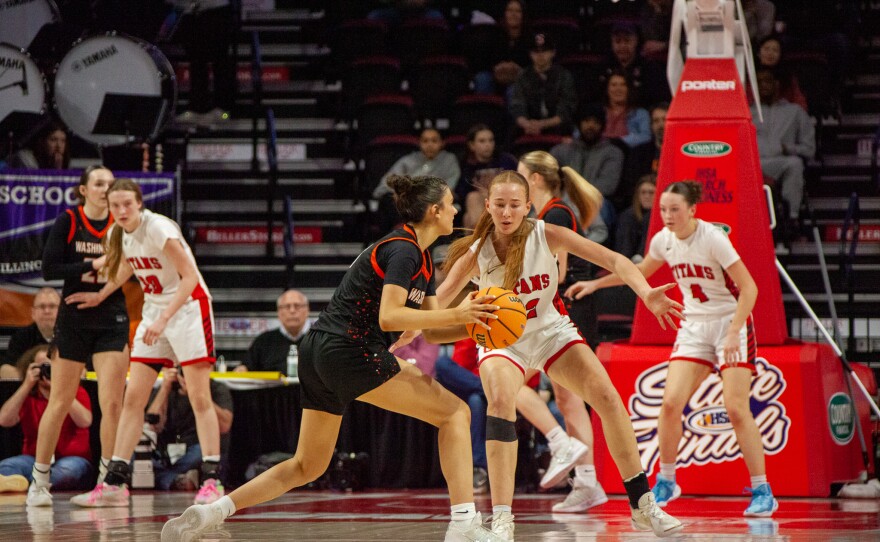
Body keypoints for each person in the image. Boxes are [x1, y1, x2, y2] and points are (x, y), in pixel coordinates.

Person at [161, 174, 505, 542]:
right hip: (349, 349)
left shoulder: (418, 258)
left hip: (319, 352)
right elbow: (390, 316)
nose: (456, 209)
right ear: (434, 210)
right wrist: (458, 314)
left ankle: (214, 511)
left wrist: (479, 323)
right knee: (455, 413)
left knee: (307, 465)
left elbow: (435, 331)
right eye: (451, 203)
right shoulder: (403, 249)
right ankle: (463, 524)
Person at [435, 170, 685, 538]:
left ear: (527, 206)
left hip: (550, 331)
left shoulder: (546, 233)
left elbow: (616, 261)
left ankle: (643, 505)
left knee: (608, 398)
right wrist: (398, 333)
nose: (506, 213)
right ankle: (502, 519)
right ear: (487, 206)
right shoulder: (476, 253)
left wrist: (646, 293)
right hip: (504, 339)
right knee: (501, 401)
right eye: (499, 205)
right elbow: (436, 302)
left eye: (514, 205)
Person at [565, 180, 778, 517]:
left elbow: (750, 288)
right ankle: (667, 479)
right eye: (663, 209)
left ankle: (763, 489)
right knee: (669, 404)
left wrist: (735, 331)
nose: (667, 215)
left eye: (674, 209)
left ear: (692, 210)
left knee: (736, 408)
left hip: (728, 322)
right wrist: (596, 283)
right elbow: (639, 272)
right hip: (694, 325)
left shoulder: (712, 238)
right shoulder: (663, 240)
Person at [65, 178, 223, 507]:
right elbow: (123, 268)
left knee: (198, 396)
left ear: (140, 203)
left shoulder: (158, 228)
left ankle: (212, 481)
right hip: (155, 312)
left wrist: (165, 319)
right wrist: (100, 296)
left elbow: (190, 276)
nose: (121, 210)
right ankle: (115, 484)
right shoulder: (117, 234)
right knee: (133, 398)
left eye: (127, 204)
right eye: (115, 205)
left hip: (188, 309)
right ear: (109, 208)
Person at [25, 165, 130, 508]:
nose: (106, 189)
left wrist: (102, 285)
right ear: (84, 190)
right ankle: (39, 481)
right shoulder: (69, 220)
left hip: (110, 316)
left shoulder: (122, 224)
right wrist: (92, 265)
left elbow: (131, 269)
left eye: (110, 184)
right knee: (60, 400)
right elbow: (49, 269)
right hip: (73, 315)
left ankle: (108, 483)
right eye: (99, 183)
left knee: (112, 404)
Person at [516, 151, 610, 513]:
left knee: (513, 387)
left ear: (535, 180)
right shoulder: (551, 212)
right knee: (568, 399)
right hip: (563, 308)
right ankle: (586, 482)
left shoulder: (556, 214)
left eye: (521, 174)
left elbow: (555, 273)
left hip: (565, 308)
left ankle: (565, 451)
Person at [0, 345, 93, 492]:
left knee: (65, 473)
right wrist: (26, 385)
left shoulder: (76, 392)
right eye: (42, 367)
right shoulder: (28, 395)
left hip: (71, 459)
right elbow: (4, 420)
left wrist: (61, 389)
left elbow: (85, 421)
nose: (46, 372)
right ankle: (29, 482)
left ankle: (27, 483)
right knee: (5, 466)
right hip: (34, 458)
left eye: (51, 367)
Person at [750, 68, 815, 236]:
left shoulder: (795, 112)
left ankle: (791, 218)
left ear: (776, 84)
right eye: (759, 82)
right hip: (752, 163)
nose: (763, 85)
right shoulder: (747, 113)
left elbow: (809, 149)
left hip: (780, 161)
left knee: (795, 164)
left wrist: (788, 148)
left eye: (767, 81)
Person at [147, 366, 233, 491]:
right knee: (137, 458)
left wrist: (200, 395)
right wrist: (165, 388)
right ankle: (176, 479)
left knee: (202, 453)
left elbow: (225, 426)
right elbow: (152, 425)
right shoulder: (167, 387)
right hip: (166, 451)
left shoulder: (216, 388)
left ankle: (168, 478)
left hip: (196, 447)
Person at [372, 128, 460, 237]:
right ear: (419, 143)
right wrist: (398, 193)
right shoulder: (407, 160)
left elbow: (449, 187)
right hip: (405, 202)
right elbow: (387, 183)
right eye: (425, 141)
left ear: (442, 143)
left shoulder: (449, 160)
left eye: (434, 141)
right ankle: (395, 238)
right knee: (387, 199)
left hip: (433, 202)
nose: (430, 145)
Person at [550, 104, 624, 226]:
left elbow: (608, 186)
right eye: (586, 121)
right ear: (579, 124)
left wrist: (578, 198)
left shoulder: (613, 153)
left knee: (602, 208)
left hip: (597, 201)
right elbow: (551, 180)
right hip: (565, 199)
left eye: (595, 122)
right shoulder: (560, 151)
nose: (590, 126)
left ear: (602, 126)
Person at [171, 0, 236, 125]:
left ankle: (222, 108)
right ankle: (197, 108)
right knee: (196, 61)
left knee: (220, 59)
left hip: (216, 8)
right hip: (188, 11)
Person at [509, 32, 578, 137]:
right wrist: (527, 124)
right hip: (528, 126)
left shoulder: (563, 76)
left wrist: (542, 125)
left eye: (544, 51)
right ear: (530, 54)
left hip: (557, 126)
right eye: (536, 52)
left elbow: (566, 109)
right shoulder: (523, 76)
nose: (540, 55)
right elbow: (517, 105)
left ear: (553, 53)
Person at [235, 289, 312, 374]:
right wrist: (242, 369)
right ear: (279, 312)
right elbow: (245, 368)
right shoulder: (263, 341)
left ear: (307, 310)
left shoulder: (322, 340)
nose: (292, 311)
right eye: (287, 306)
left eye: (297, 306)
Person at [456, 124, 518, 229]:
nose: (488, 145)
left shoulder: (507, 161)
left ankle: (480, 241)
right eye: (482, 141)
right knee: (470, 208)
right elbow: (462, 193)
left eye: (490, 140)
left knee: (469, 214)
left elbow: (519, 184)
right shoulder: (466, 165)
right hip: (481, 206)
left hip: (506, 201)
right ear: (472, 145)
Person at [599, 22, 670, 109]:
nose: (622, 46)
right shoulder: (603, 67)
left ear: (636, 41)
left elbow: (660, 100)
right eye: (618, 41)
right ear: (612, 43)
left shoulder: (649, 68)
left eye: (627, 41)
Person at [472, 0, 531, 95]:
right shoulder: (495, 35)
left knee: (513, 91)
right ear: (505, 14)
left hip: (521, 78)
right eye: (510, 10)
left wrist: (519, 71)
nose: (513, 14)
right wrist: (496, 68)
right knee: (482, 78)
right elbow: (484, 60)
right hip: (496, 75)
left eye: (518, 11)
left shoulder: (529, 38)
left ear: (523, 15)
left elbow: (533, 65)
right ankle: (484, 109)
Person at [1, 288, 60, 379]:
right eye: (42, 306)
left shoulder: (73, 336)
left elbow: (85, 371)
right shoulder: (21, 336)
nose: (47, 311)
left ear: (62, 311)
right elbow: (5, 370)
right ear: (33, 313)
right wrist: (34, 378)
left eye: (52, 306)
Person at [754, 35, 808, 112]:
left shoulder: (788, 77)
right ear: (758, 53)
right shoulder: (749, 75)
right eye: (766, 49)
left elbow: (800, 103)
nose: (770, 53)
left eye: (775, 50)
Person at [602, 70, 651, 149]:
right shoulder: (598, 112)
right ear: (607, 89)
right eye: (614, 85)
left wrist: (619, 141)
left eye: (623, 85)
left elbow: (646, 137)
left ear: (629, 89)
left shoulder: (641, 114)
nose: (618, 89)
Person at [615, 174, 656, 262]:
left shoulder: (663, 218)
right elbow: (623, 247)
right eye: (643, 192)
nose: (647, 196)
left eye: (651, 192)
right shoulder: (627, 216)